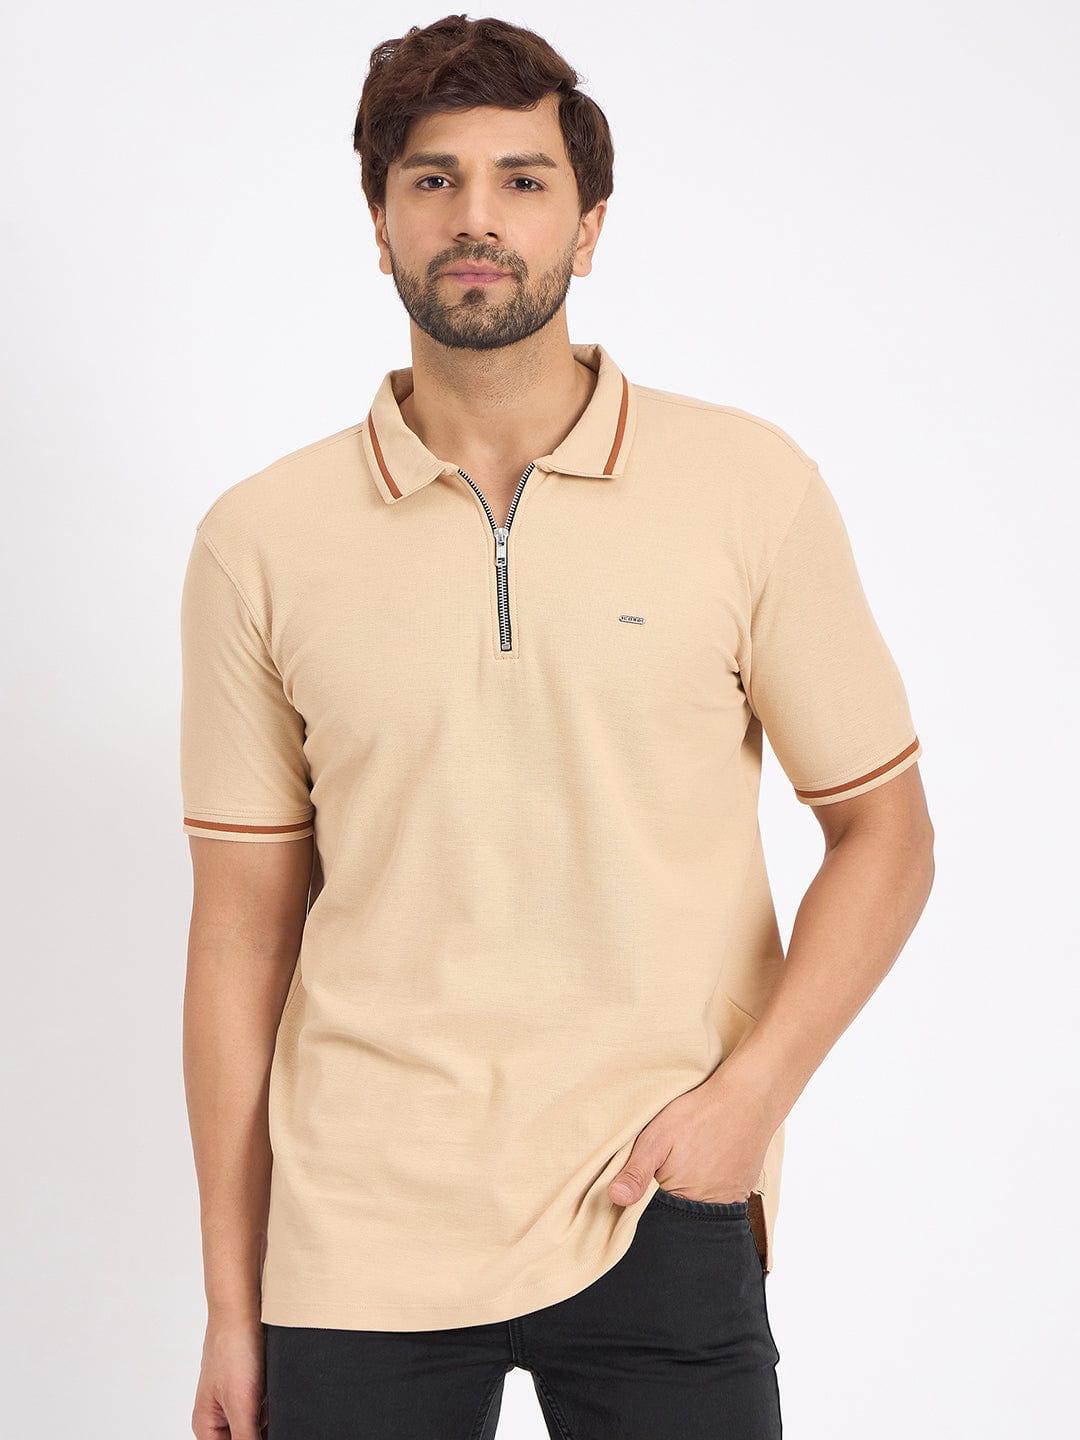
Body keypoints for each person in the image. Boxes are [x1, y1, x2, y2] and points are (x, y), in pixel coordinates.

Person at [180, 15, 934, 1440]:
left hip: (658, 1192)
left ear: (587, 227)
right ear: (380, 225)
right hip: (359, 1228)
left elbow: (884, 832)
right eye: (433, 179)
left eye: (522, 180)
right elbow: (238, 935)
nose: (477, 218)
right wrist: (231, 1299)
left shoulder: (747, 487)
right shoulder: (259, 540)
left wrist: (745, 1107)